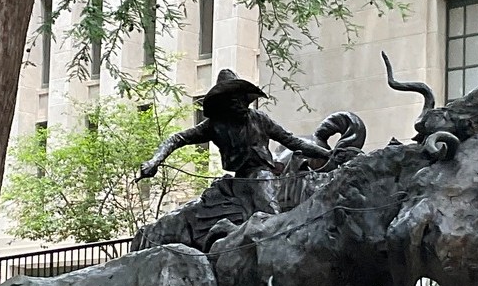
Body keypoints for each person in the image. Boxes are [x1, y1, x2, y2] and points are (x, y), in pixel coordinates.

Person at [138, 71, 332, 214]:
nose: (238, 103)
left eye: (240, 98)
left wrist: (327, 155)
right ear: (222, 103)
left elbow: (292, 141)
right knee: (272, 216)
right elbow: (177, 138)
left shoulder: (260, 119)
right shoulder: (214, 126)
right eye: (231, 100)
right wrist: (154, 161)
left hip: (263, 173)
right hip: (243, 178)